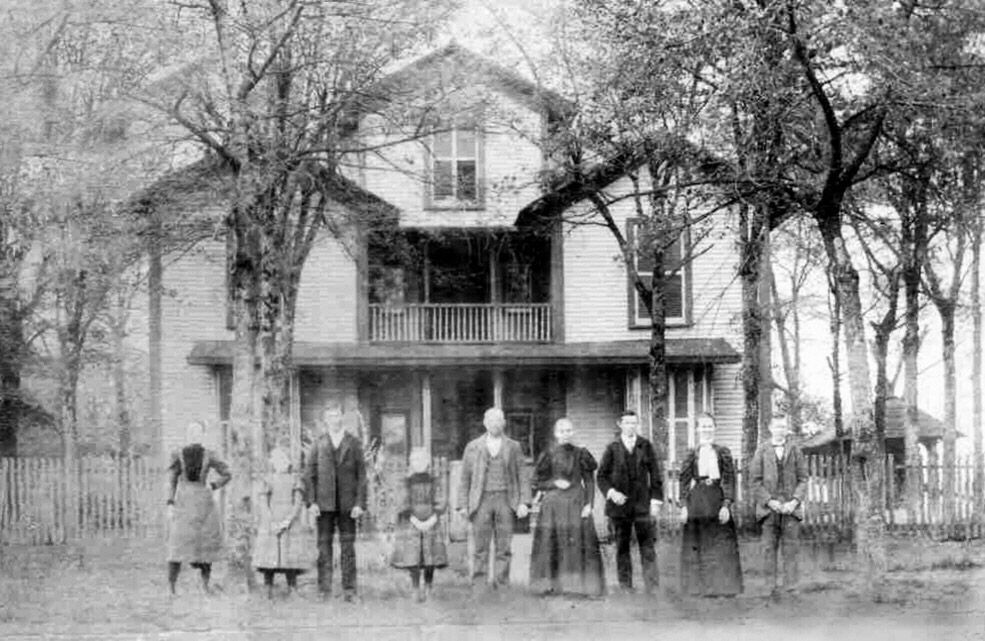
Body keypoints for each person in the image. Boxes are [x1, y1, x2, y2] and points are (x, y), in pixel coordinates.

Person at [529, 418, 605, 597]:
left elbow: (588, 481)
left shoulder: (581, 453)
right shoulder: (548, 454)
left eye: (569, 430)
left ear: (573, 432)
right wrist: (554, 483)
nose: (565, 434)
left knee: (578, 543)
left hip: (576, 503)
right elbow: (536, 482)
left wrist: (589, 505)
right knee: (551, 543)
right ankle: (549, 586)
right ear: (556, 434)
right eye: (562, 431)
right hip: (553, 506)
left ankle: (578, 586)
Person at [455, 407, 529, 590]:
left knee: (504, 546)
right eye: (491, 420)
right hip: (481, 501)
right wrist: (462, 505)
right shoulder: (473, 447)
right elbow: (464, 478)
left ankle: (502, 583)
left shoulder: (514, 446)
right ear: (485, 423)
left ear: (503, 423)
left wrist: (523, 502)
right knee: (480, 546)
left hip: (505, 499)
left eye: (499, 420)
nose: (495, 424)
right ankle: (479, 583)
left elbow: (523, 476)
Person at [304, 402, 368, 601]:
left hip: (348, 506)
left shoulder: (354, 442)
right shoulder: (319, 443)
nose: (335, 419)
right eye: (330, 416)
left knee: (348, 548)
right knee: (324, 548)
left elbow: (362, 476)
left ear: (342, 417)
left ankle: (349, 591)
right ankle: (324, 590)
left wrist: (359, 503)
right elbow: (309, 474)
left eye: (337, 415)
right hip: (324, 505)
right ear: (326, 420)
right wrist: (312, 502)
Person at [596, 409, 663, 595]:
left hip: (642, 505)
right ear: (620, 424)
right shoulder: (612, 448)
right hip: (619, 507)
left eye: (634, 423)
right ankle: (626, 587)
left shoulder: (645, 445)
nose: (631, 426)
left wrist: (656, 502)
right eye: (627, 423)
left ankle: (653, 587)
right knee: (622, 547)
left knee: (647, 546)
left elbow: (656, 475)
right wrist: (611, 492)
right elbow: (601, 476)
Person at [678, 413, 743, 597]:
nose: (706, 430)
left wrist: (726, 504)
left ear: (715, 428)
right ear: (698, 429)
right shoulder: (692, 453)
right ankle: (698, 588)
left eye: (709, 426)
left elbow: (729, 480)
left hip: (716, 497)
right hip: (697, 499)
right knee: (697, 543)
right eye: (703, 426)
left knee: (721, 544)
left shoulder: (723, 452)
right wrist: (683, 506)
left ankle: (724, 588)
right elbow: (683, 481)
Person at [165, 420, 232, 595]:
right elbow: (172, 480)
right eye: (191, 431)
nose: (194, 434)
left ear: (203, 435)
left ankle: (205, 586)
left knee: (205, 545)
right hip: (184, 502)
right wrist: (170, 503)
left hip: (204, 503)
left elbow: (227, 473)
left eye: (198, 432)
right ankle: (171, 588)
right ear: (187, 435)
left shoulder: (209, 454)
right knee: (177, 545)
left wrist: (214, 485)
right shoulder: (178, 454)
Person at [750, 414, 808, 596]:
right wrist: (770, 501)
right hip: (769, 510)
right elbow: (754, 481)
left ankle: (791, 587)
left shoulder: (795, 450)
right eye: (777, 426)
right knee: (768, 548)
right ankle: (770, 587)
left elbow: (803, 479)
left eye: (783, 427)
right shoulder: (762, 450)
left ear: (787, 429)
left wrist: (795, 501)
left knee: (791, 549)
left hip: (791, 509)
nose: (780, 430)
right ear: (770, 428)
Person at [252, 445, 317, 599]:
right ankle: (268, 587)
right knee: (269, 555)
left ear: (288, 462)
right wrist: (271, 521)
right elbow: (263, 502)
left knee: (290, 556)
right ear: (272, 463)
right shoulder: (267, 479)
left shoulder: (296, 480)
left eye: (283, 460)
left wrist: (287, 521)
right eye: (276, 460)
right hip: (271, 520)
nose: (280, 463)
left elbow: (298, 503)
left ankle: (292, 588)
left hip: (290, 521)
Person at [390, 448, 448, 602]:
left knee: (431, 558)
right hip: (411, 523)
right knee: (413, 557)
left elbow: (441, 500)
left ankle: (428, 587)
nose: (419, 463)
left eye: (422, 460)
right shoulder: (406, 482)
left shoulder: (435, 481)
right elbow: (402, 502)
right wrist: (414, 520)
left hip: (432, 522)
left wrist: (433, 518)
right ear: (411, 463)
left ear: (428, 462)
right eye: (415, 460)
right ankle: (415, 588)